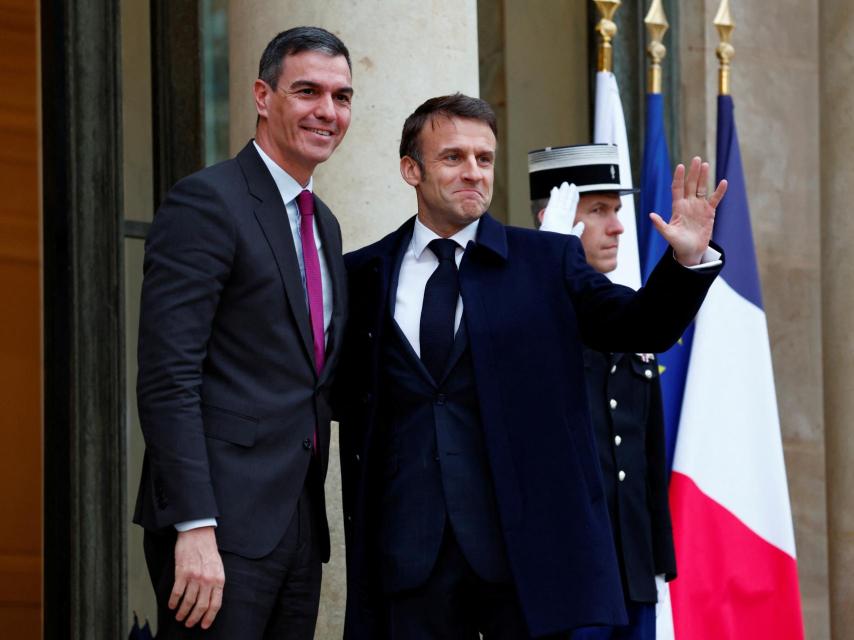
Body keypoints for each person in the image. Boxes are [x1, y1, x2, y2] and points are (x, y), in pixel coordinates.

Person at [335, 94, 726, 639]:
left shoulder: (545, 261)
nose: (473, 172)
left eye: (484, 158)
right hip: (406, 559)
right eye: (453, 157)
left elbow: (640, 327)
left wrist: (685, 261)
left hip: (522, 560)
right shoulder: (362, 273)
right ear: (411, 170)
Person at [134, 26, 353, 639]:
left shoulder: (324, 224)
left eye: (341, 97)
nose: (328, 111)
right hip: (217, 528)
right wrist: (194, 524)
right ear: (262, 96)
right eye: (307, 91)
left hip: (298, 524)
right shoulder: (207, 202)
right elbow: (168, 378)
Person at [529, 144, 678, 640]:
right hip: (565, 572)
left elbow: (646, 457)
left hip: (632, 570)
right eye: (598, 210)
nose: (617, 227)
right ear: (555, 217)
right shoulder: (527, 312)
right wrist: (546, 272)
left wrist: (657, 562)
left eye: (616, 210)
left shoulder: (630, 317)